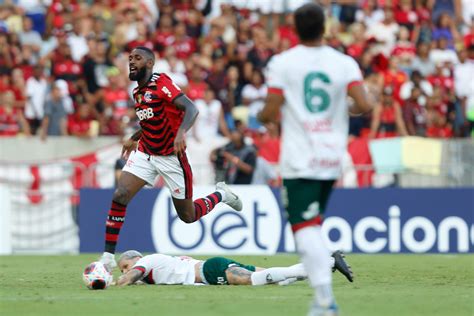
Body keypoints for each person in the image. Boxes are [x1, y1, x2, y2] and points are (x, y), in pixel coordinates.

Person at [258, 4, 372, 315]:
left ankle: (324, 301)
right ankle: (323, 297)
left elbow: (270, 110)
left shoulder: (283, 63)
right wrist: (338, 110)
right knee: (312, 222)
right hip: (332, 155)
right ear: (325, 27)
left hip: (301, 156)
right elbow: (363, 103)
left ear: (294, 28)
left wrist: (262, 114)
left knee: (303, 226)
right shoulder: (344, 62)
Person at [99, 47, 242, 270]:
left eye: (137, 58)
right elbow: (151, 121)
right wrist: (134, 137)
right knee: (121, 194)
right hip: (146, 152)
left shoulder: (161, 83)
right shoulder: (137, 92)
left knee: (188, 215)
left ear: (150, 63)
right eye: (130, 59)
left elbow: (191, 109)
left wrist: (180, 134)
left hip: (171, 156)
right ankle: (107, 258)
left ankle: (222, 194)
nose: (132, 62)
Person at [116, 249, 353, 286]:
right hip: (210, 266)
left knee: (256, 281)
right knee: (276, 279)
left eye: (125, 266)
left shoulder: (145, 262)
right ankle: (324, 262)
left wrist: (114, 282)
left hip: (210, 271)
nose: (124, 271)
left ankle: (329, 262)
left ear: (136, 258)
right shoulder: (158, 260)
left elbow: (131, 277)